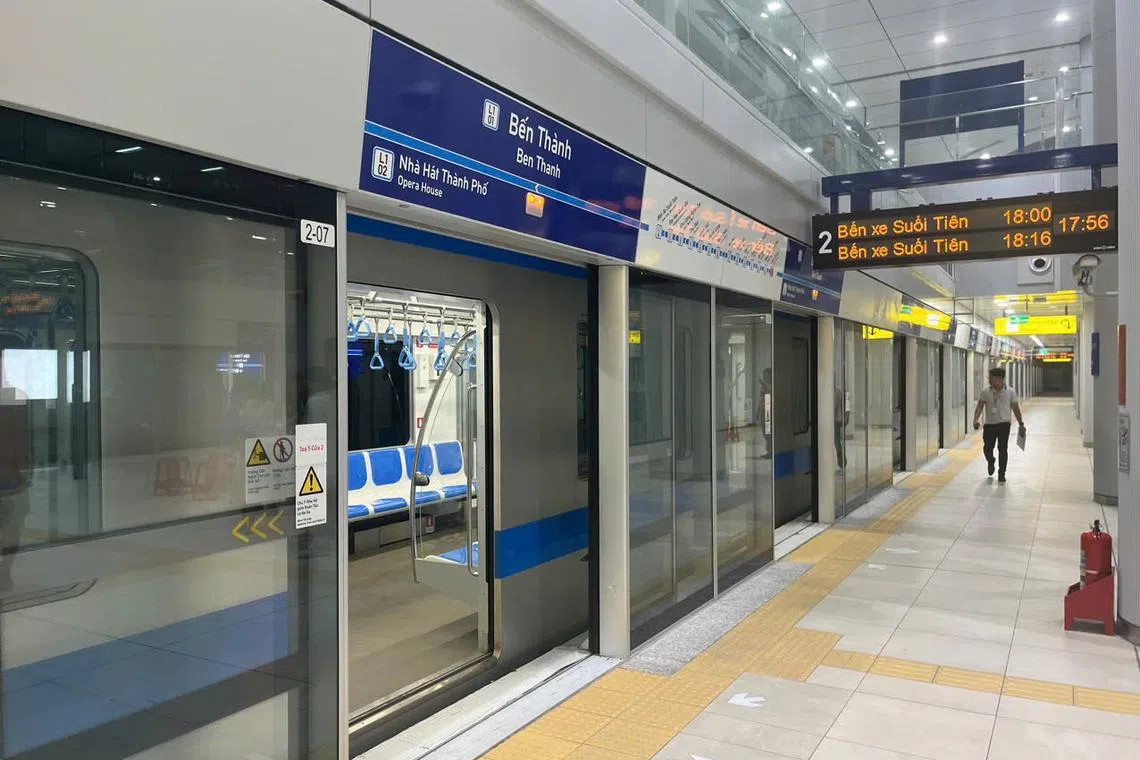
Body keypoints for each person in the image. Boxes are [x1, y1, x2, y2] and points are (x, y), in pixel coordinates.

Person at [972, 367, 1024, 483]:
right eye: (989, 378)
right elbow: (980, 406)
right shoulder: (986, 392)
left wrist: (1021, 423)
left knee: (1003, 448)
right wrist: (975, 419)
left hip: (1004, 424)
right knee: (987, 448)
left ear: (1001, 379)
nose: (989, 380)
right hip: (990, 424)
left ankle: (1002, 473)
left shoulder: (1011, 392)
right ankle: (991, 461)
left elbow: (1015, 408)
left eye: (991, 378)